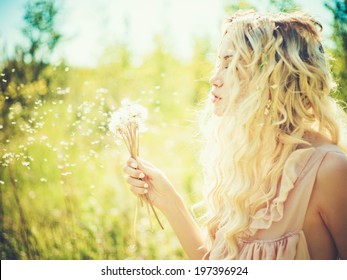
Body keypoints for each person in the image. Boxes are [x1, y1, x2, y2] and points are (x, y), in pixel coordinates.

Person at [123, 10, 347, 260]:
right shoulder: (244, 163)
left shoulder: (330, 171)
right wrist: (169, 201)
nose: (214, 78)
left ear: (273, 74)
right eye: (218, 63)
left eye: (230, 63)